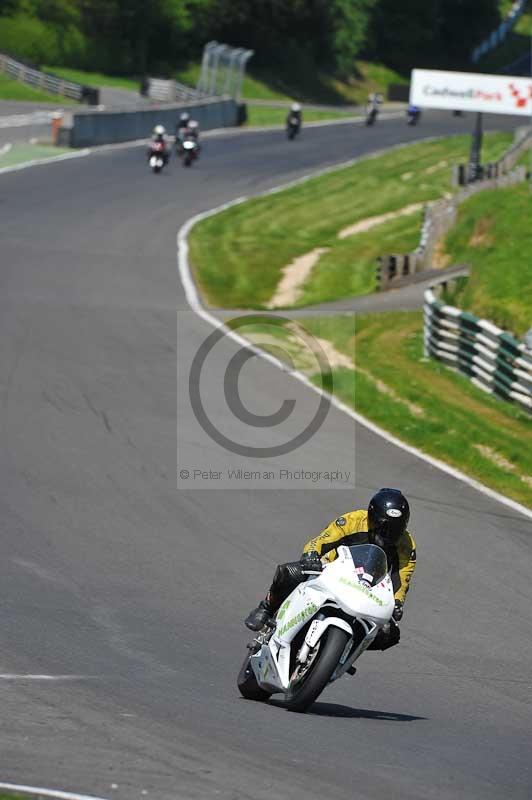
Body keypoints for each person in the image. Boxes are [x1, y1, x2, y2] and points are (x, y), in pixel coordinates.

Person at [245, 488, 416, 651]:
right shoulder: (353, 520)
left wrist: (397, 603)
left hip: (368, 587)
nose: (387, 533)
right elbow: (321, 540)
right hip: (332, 570)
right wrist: (311, 554)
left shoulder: (407, 545)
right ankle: (266, 607)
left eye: (396, 529)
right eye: (382, 526)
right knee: (290, 572)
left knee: (389, 632)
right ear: (371, 517)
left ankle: (344, 648)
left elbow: (402, 579)